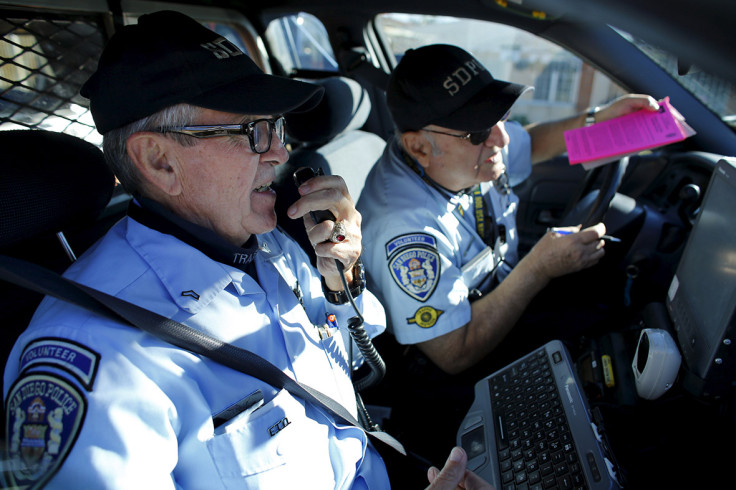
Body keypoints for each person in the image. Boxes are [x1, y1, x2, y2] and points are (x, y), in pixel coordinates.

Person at [1, 13, 484, 489]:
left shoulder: (271, 246)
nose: (279, 152)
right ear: (160, 161)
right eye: (252, 131)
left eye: (275, 126)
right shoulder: (102, 352)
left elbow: (352, 370)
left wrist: (344, 280)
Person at [357, 44, 659, 460]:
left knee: (606, 315)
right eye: (479, 131)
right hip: (446, 369)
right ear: (419, 148)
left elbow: (531, 143)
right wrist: (538, 269)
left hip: (496, 302)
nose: (501, 137)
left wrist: (597, 119)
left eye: (500, 117)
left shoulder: (460, 152)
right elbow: (453, 354)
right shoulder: (405, 228)